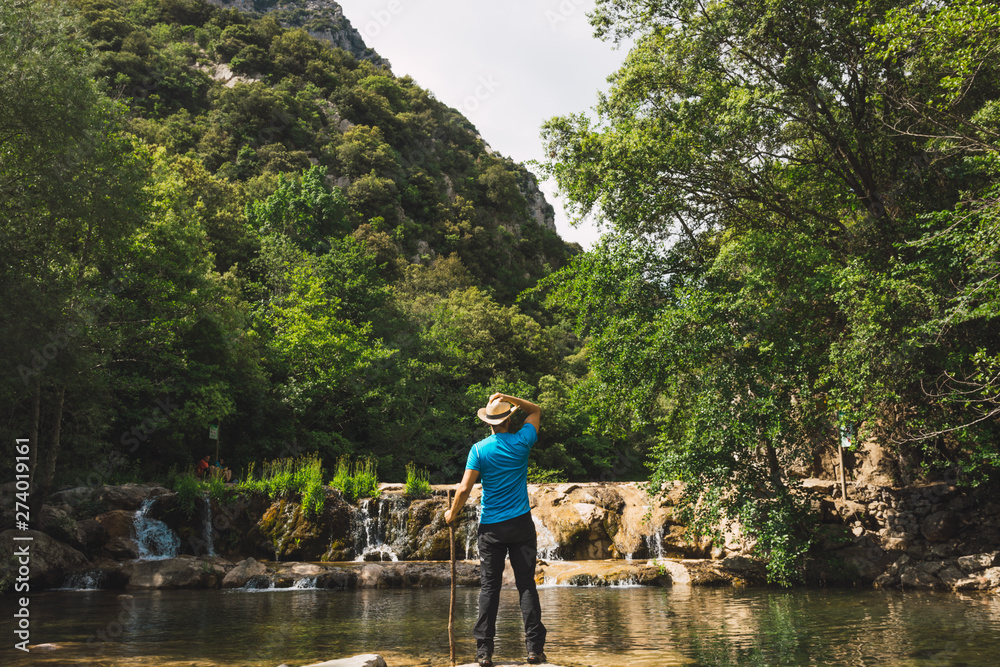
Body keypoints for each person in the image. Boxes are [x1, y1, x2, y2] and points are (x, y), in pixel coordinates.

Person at [445, 392, 547, 667]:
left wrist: (451, 513)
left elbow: (465, 488)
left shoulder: (479, 450)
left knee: (490, 587)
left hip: (491, 527)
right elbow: (535, 409)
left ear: (489, 422)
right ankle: (534, 650)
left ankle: (484, 652)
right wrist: (510, 398)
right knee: (526, 585)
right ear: (509, 420)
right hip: (521, 524)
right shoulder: (523, 441)